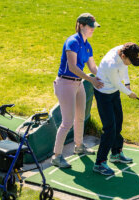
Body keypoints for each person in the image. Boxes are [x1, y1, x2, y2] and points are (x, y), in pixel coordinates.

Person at [52, 13, 104, 168]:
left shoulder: (87, 45)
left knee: (81, 116)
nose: (93, 30)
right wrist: (92, 80)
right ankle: (56, 156)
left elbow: (93, 67)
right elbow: (73, 67)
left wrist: (105, 76)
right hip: (66, 84)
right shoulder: (72, 42)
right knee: (67, 122)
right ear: (81, 26)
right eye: (90, 27)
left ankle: (79, 146)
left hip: (78, 84)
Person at [93, 42, 139, 175]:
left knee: (118, 122)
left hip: (114, 92)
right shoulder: (111, 63)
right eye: (130, 61)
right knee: (109, 128)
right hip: (103, 94)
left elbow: (124, 68)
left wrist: (128, 84)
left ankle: (115, 153)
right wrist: (129, 93)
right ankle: (99, 163)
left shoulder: (123, 52)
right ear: (123, 56)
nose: (130, 63)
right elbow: (116, 82)